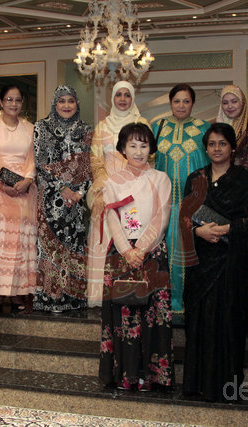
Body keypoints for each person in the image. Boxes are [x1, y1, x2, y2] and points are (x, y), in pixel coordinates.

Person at [179, 122, 248, 401]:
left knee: (228, 320)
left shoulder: (243, 178)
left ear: (232, 148)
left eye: (222, 143)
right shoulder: (195, 178)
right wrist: (198, 231)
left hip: (230, 262)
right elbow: (185, 218)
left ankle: (226, 387)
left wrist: (226, 229)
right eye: (212, 144)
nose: (217, 148)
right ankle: (197, 384)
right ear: (206, 148)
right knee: (199, 319)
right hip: (201, 263)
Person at [99, 123, 173, 391]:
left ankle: (152, 377)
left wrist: (141, 249)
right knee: (123, 316)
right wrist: (127, 250)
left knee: (153, 315)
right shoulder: (112, 182)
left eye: (144, 145)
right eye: (133, 145)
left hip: (152, 252)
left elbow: (161, 217)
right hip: (121, 254)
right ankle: (126, 375)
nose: (139, 151)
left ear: (151, 148)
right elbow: (112, 218)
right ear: (123, 149)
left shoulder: (161, 179)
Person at [87, 81, 149, 307]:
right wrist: (109, 186)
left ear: (133, 98)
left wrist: (132, 184)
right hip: (108, 192)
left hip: (135, 191)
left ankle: (131, 290)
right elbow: (96, 161)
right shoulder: (102, 127)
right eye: (118, 95)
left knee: (131, 237)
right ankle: (102, 294)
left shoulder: (142, 124)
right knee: (106, 239)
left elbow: (148, 157)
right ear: (113, 98)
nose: (123, 99)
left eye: (127, 95)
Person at [0, 85, 36, 313]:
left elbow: (34, 158)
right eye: (9, 99)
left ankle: (19, 294)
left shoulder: (30, 128)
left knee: (21, 242)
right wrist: (2, 185)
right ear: (1, 102)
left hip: (23, 191)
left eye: (18, 100)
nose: (14, 104)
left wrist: (27, 180)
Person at [33, 85, 92, 313]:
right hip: (50, 198)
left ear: (77, 104)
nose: (66, 105)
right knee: (51, 246)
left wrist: (80, 193)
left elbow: (89, 165)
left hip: (76, 202)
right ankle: (50, 297)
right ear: (54, 104)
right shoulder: (42, 127)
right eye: (61, 101)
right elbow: (40, 163)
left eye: (71, 101)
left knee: (73, 245)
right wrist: (63, 188)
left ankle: (73, 297)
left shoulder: (86, 129)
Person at [153, 83, 210, 313]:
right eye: (177, 101)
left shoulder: (204, 128)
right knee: (164, 254)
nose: (181, 105)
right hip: (164, 206)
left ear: (193, 103)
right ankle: (166, 306)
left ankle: (192, 306)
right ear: (170, 103)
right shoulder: (158, 127)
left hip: (194, 206)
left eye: (186, 101)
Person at [215, 85, 248, 177]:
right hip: (223, 180)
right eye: (225, 103)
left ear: (242, 102)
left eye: (234, 101)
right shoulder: (219, 128)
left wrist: (240, 182)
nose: (230, 106)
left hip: (246, 181)